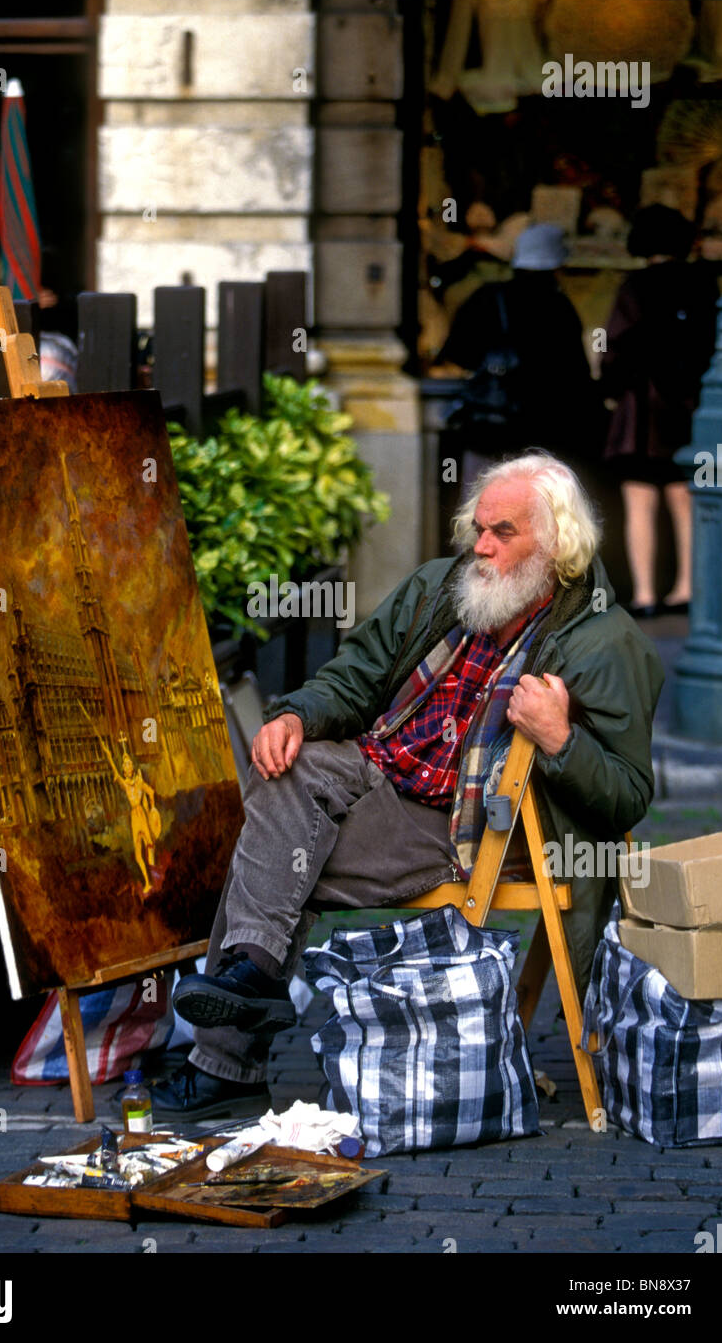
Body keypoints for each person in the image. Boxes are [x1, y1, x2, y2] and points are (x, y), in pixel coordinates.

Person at [152, 452, 664, 1120]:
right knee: (284, 766)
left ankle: (224, 1054)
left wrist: (561, 738)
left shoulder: (606, 642)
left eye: (503, 533)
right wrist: (296, 714)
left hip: (464, 820)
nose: (481, 546)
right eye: (479, 528)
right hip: (376, 766)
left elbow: (626, 795)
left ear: (558, 545)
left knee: (268, 850)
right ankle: (247, 982)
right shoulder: (441, 588)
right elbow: (356, 674)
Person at [600, 205, 718, 618]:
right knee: (686, 501)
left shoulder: (634, 287)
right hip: (687, 409)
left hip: (640, 411)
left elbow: (613, 348)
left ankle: (646, 594)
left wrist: (612, 385)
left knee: (639, 505)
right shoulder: (703, 284)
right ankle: (686, 588)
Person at [429, 223, 601, 485]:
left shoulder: (488, 297)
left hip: (490, 428)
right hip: (544, 436)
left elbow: (458, 356)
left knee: (481, 508)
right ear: (555, 266)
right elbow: (576, 378)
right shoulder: (560, 309)